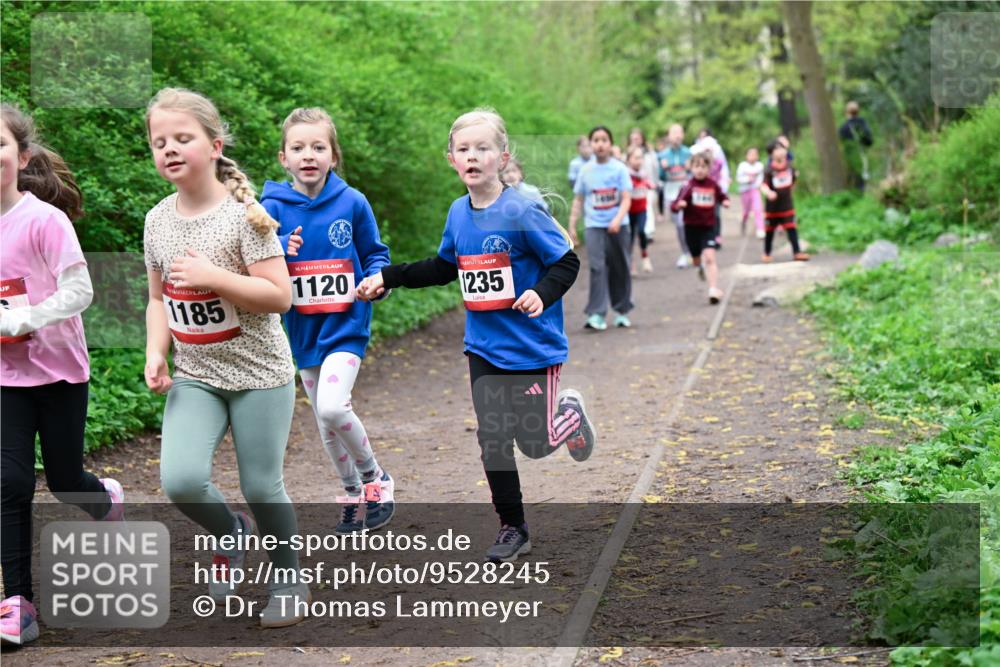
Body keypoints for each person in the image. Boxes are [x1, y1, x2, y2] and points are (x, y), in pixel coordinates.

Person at [356, 108, 595, 563]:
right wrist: (390, 277)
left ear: (502, 157)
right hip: (483, 346)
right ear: (451, 159)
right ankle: (513, 528)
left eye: (483, 148)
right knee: (493, 438)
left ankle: (568, 414)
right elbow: (446, 266)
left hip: (532, 347)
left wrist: (540, 295)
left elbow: (565, 262)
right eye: (464, 149)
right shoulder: (458, 213)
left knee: (536, 443)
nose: (473, 156)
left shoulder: (522, 209)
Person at [142, 88, 307, 627]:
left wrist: (215, 278)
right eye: (159, 140)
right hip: (198, 374)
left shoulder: (245, 216)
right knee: (182, 479)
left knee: (261, 484)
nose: (169, 149)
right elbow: (157, 299)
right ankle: (230, 533)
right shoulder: (157, 220)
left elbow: (279, 295)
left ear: (214, 146)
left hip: (260, 374)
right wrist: (156, 349)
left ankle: (287, 575)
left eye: (182, 138)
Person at [0, 104, 124, 647]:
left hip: (58, 372)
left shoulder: (43, 220)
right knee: (9, 483)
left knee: (64, 478)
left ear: (21, 156)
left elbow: (81, 292)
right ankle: (17, 603)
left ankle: (106, 500)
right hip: (5, 376)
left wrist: (25, 318)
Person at [260, 107, 394, 535]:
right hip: (303, 330)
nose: (308, 155)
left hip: (346, 324)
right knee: (323, 419)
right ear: (283, 157)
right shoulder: (271, 206)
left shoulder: (352, 201)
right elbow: (255, 256)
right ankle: (352, 492)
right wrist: (281, 245)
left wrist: (378, 279)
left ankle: (376, 479)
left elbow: (375, 252)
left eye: (318, 147)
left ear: (333, 156)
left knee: (334, 407)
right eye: (298, 147)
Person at [568, 126, 633, 330]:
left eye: (604, 140)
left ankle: (622, 310)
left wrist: (617, 219)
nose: (600, 144)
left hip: (618, 225)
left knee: (620, 266)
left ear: (611, 144)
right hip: (594, 225)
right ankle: (597, 313)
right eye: (595, 140)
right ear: (590, 144)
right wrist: (571, 226)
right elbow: (579, 199)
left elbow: (626, 199)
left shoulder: (620, 169)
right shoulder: (585, 171)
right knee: (597, 267)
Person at [670, 153, 731, 305]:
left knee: (710, 257)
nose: (700, 170)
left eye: (703, 167)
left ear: (709, 168)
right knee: (696, 258)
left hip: (708, 228)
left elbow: (722, 196)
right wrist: (679, 206)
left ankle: (713, 289)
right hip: (691, 228)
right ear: (691, 168)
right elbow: (674, 205)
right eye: (697, 166)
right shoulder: (687, 187)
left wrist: (725, 202)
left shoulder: (712, 185)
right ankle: (699, 267)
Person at [760, 140, 809, 263]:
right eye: (778, 149)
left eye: (782, 148)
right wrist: (768, 193)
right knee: (770, 230)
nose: (781, 151)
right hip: (772, 207)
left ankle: (797, 252)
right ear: (771, 153)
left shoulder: (789, 166)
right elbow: (763, 185)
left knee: (791, 228)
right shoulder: (769, 169)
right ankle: (767, 253)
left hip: (787, 204)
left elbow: (793, 180)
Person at [657, 124, 693, 268]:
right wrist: (663, 169)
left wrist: (689, 168)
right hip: (670, 194)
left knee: (685, 223)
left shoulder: (688, 153)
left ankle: (689, 253)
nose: (677, 135)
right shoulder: (662, 155)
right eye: (674, 133)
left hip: (685, 193)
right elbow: (659, 177)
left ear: (683, 135)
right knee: (678, 225)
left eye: (679, 132)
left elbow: (693, 174)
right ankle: (686, 251)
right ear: (669, 136)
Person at [691, 130, 730, 250]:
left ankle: (716, 236)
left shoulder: (718, 162)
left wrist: (724, 189)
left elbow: (724, 173)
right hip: (701, 192)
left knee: (716, 215)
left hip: (714, 191)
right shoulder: (700, 163)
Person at [625, 127, 660, 241]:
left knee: (647, 207)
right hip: (632, 189)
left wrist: (655, 183)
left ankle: (648, 232)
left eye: (637, 138)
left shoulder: (649, 153)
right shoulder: (627, 154)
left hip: (648, 185)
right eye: (633, 138)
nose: (635, 140)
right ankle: (638, 231)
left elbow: (655, 168)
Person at [626, 146, 654, 274]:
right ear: (629, 160)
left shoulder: (644, 173)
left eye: (640, 158)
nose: (639, 161)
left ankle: (645, 256)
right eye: (636, 158)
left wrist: (650, 184)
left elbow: (649, 183)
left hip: (641, 209)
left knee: (642, 232)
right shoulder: (625, 174)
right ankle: (631, 264)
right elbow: (630, 185)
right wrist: (641, 184)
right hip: (628, 211)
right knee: (630, 238)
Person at [838, 101, 873, 192]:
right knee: (862, 181)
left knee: (852, 181)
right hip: (862, 155)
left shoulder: (843, 128)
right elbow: (869, 141)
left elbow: (841, 143)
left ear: (847, 112)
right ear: (858, 111)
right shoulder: (862, 124)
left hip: (849, 158)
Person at [736, 147, 766, 239]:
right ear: (746, 156)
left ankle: (760, 229)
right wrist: (748, 180)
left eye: (755, 154)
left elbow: (761, 179)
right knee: (746, 211)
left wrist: (757, 184)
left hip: (755, 190)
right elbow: (738, 179)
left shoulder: (760, 166)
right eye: (750, 154)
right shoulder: (742, 166)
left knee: (758, 209)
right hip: (744, 191)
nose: (753, 156)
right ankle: (744, 221)